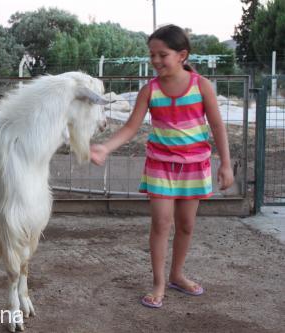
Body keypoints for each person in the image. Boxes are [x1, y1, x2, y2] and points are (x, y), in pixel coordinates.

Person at [90, 24, 234, 308]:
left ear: (182, 55)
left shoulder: (201, 86)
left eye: (162, 55)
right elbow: (131, 127)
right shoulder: (150, 90)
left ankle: (177, 275)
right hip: (160, 166)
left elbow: (217, 127)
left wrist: (226, 164)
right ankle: (158, 283)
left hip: (195, 166)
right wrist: (105, 147)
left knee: (186, 225)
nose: (155, 61)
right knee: (161, 223)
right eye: (152, 55)